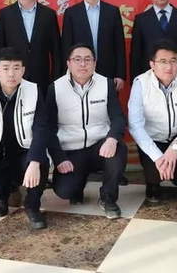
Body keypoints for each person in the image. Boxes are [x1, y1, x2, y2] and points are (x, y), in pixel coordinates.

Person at [45, 43, 128, 219]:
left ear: (94, 64)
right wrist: (59, 158)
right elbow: (49, 129)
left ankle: (108, 198)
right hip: (71, 150)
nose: (83, 64)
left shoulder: (106, 84)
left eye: (87, 59)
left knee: (119, 150)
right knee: (65, 191)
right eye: (77, 59)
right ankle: (78, 184)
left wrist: (112, 139)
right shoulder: (55, 88)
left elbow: (118, 118)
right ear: (68, 63)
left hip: (100, 146)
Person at [0, 47, 50, 230]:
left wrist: (34, 162)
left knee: (41, 161)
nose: (11, 74)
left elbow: (41, 129)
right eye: (6, 68)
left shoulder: (34, 91)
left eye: (16, 68)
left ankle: (32, 205)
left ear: (23, 70)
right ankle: (0, 197)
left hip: (23, 154)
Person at [128, 40, 177, 211]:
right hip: (154, 141)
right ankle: (153, 184)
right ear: (152, 64)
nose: (169, 66)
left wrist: (176, 146)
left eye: (173, 61)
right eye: (163, 61)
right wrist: (158, 157)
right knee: (156, 174)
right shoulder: (140, 84)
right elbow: (135, 126)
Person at [0, 0, 62, 94]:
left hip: (42, 77)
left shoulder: (49, 15)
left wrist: (56, 80)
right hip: (12, 78)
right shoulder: (5, 14)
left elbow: (56, 51)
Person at [61, 0, 126, 91]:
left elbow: (119, 45)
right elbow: (67, 45)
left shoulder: (112, 11)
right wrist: (68, 72)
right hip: (80, 70)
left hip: (108, 70)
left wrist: (120, 74)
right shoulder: (71, 13)